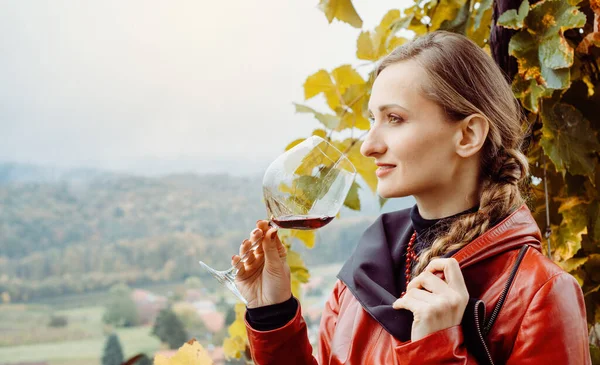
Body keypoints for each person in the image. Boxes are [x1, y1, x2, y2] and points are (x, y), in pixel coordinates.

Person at [232, 31, 591, 364]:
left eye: (395, 118)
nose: (370, 146)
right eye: (372, 119)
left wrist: (436, 350)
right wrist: (272, 314)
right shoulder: (365, 270)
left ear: (468, 135)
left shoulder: (539, 293)